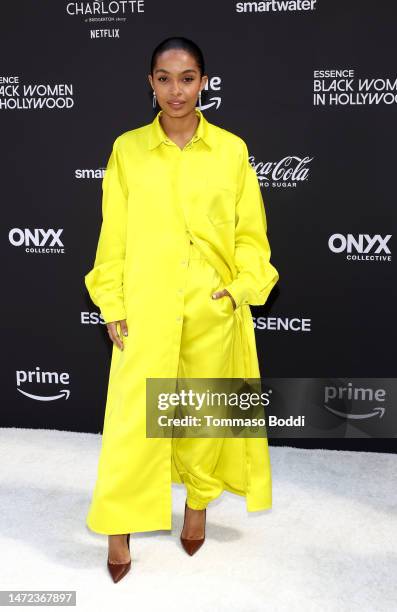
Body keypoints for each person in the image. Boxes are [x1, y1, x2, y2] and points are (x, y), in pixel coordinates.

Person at [84, 36, 279, 582]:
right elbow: (113, 235)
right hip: (145, 305)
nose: (177, 90)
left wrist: (237, 290)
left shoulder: (232, 151)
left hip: (210, 305)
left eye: (188, 77)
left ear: (205, 82)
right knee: (131, 422)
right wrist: (113, 301)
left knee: (201, 415)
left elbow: (250, 237)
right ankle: (119, 527)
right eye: (165, 78)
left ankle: (196, 507)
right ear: (150, 83)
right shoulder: (127, 150)